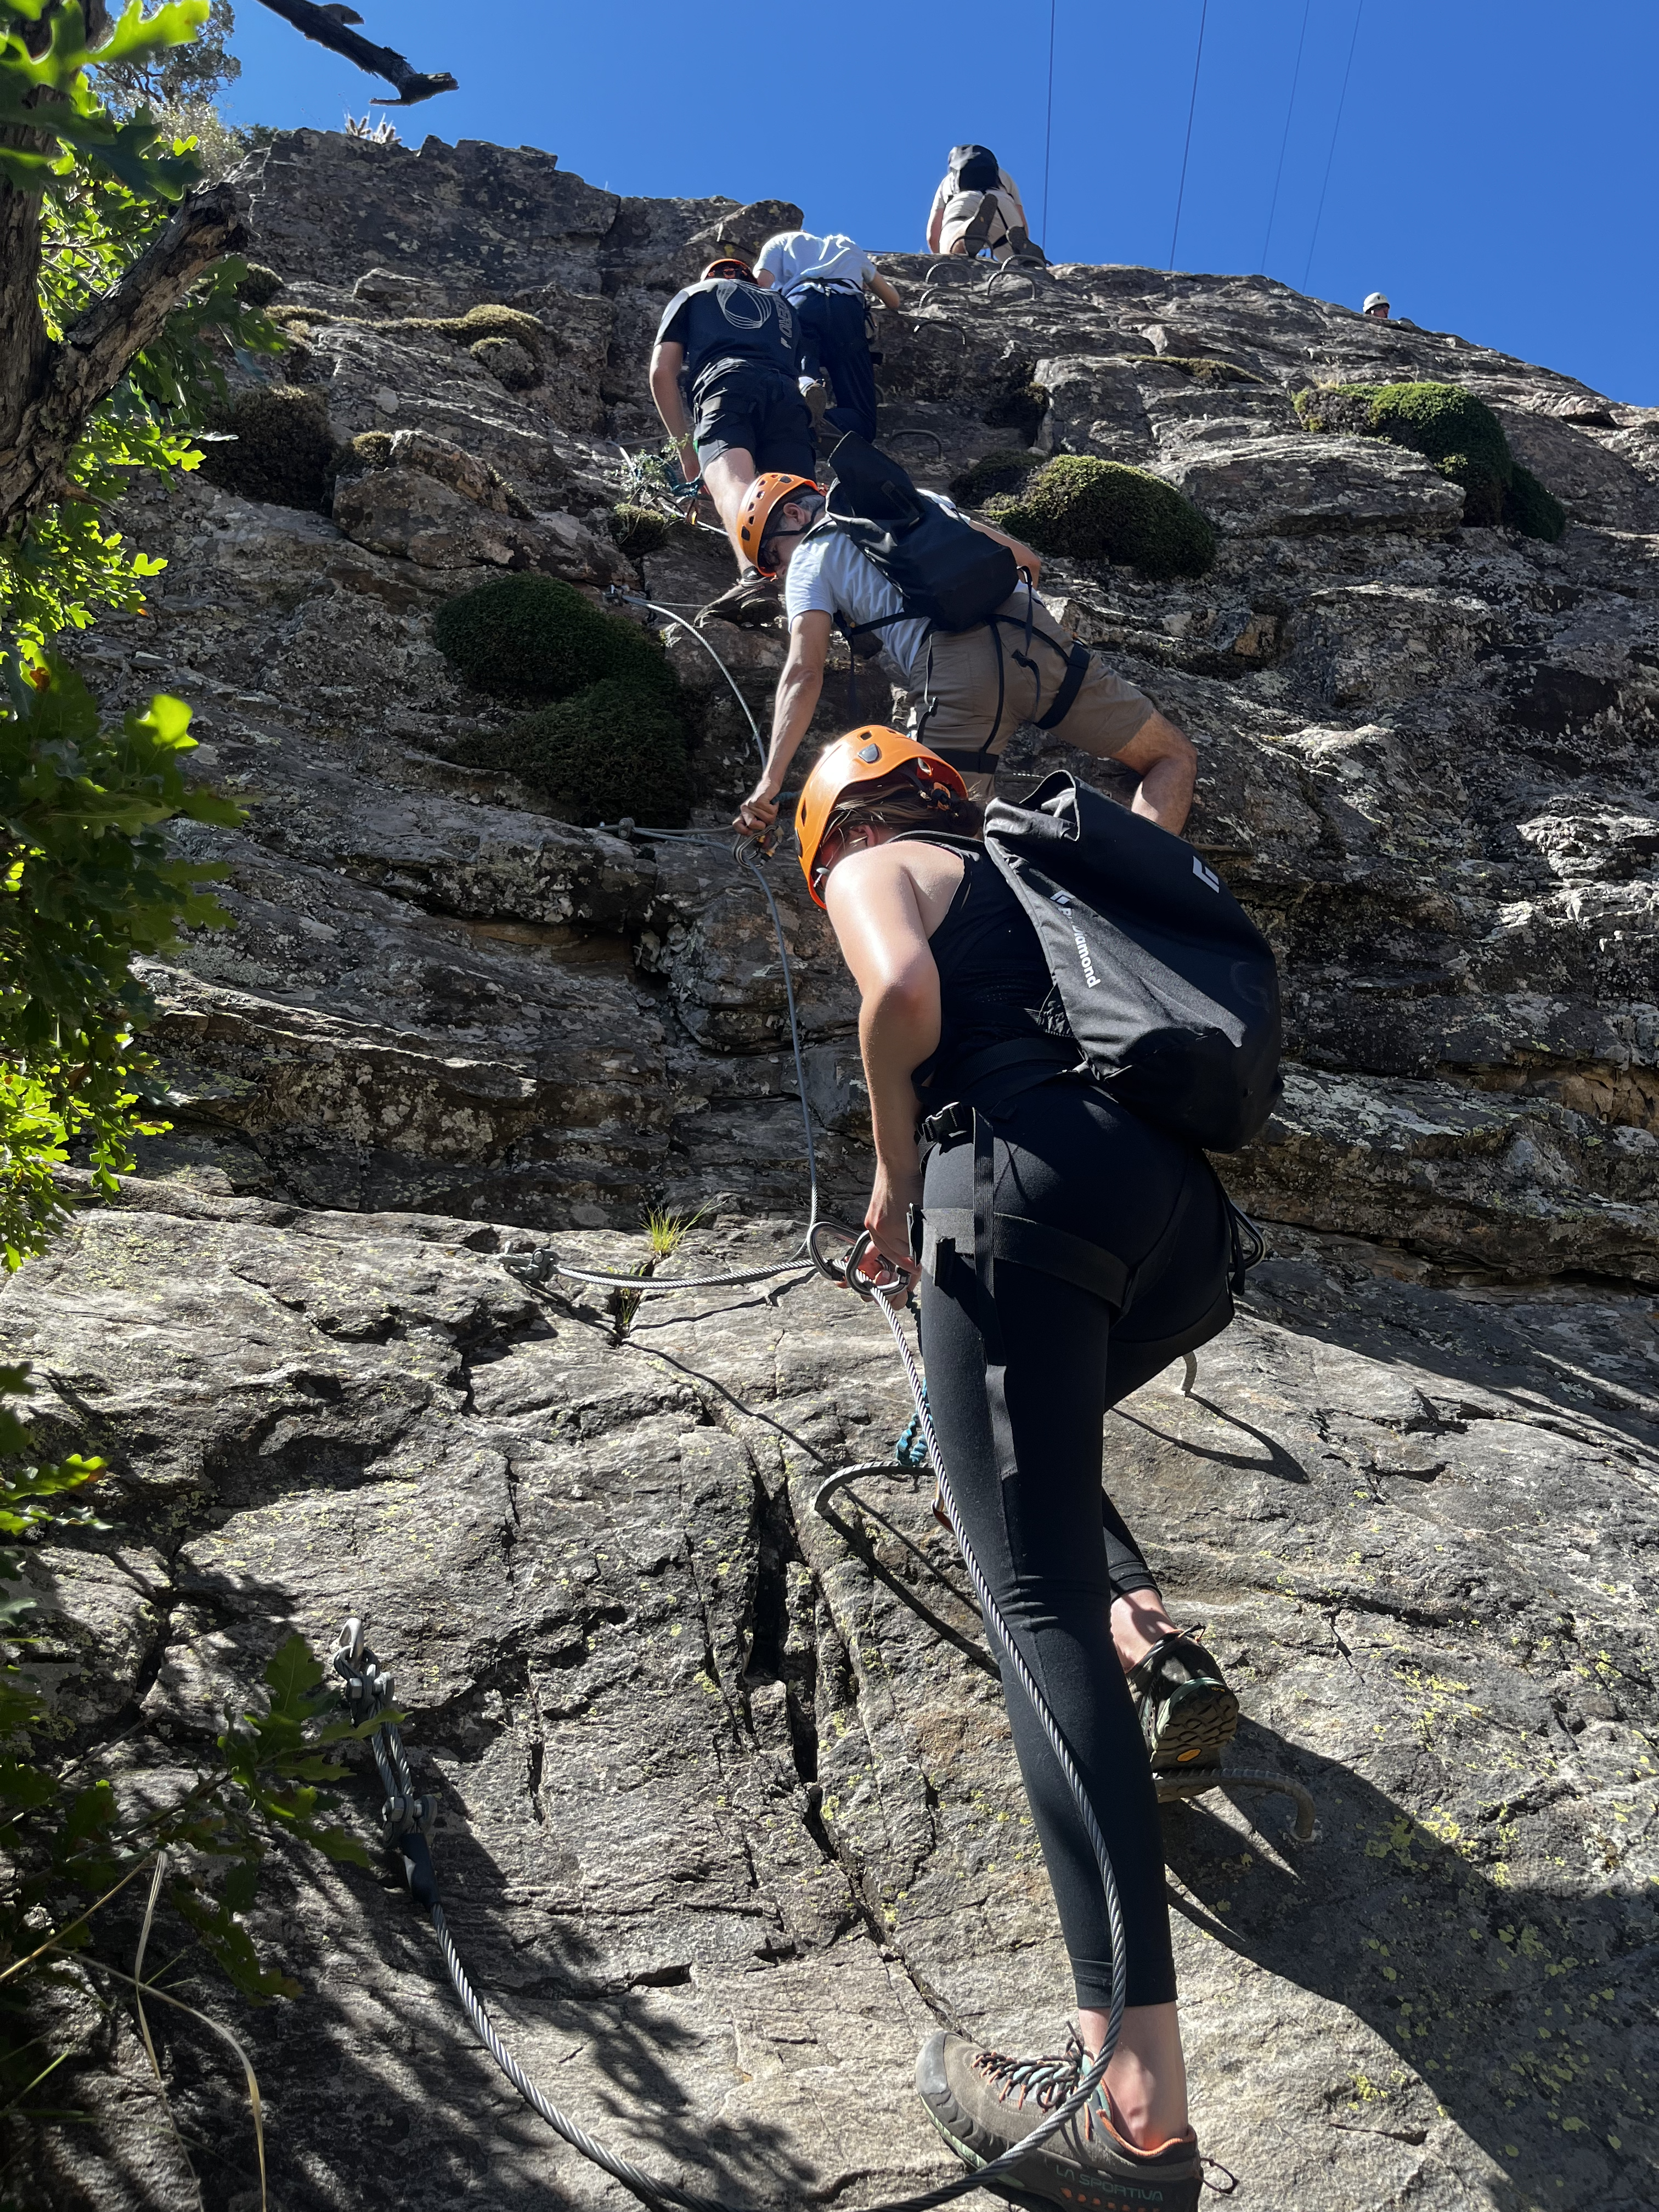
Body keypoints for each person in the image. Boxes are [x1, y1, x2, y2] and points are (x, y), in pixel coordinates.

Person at [800, 726, 1242, 2212]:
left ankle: (1129, 2111)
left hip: (1015, 1194)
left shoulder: (877, 856)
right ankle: (1135, 1614)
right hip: (1175, 1221)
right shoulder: (1026, 863)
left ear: (833, 827)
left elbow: (900, 994)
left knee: (1028, 1599)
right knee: (1028, 1493)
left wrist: (891, 1168)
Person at [729, 472, 1196, 839]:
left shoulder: (810, 558)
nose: (778, 572)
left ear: (793, 514)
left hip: (955, 675)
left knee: (942, 841)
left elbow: (803, 673)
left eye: (774, 556)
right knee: (1172, 757)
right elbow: (1028, 563)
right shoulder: (916, 501)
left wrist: (770, 782)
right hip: (1033, 635)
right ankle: (1136, 891)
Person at [648, 256, 812, 624]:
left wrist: (688, 455)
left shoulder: (696, 293)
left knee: (732, 480)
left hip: (726, 385)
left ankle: (754, 578)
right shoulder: (782, 305)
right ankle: (826, 596)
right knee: (797, 499)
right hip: (788, 396)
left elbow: (662, 373)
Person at [754, 227, 902, 445]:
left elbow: (761, 283)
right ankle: (828, 425)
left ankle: (806, 387)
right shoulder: (847, 245)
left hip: (800, 303)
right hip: (847, 310)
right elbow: (893, 301)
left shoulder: (783, 241)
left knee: (802, 357)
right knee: (863, 415)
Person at [926, 143, 1044, 264]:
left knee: (952, 254)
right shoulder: (1003, 175)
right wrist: (1022, 236)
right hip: (1002, 204)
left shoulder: (948, 181)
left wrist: (940, 257)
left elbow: (933, 237)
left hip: (964, 203)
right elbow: (1022, 222)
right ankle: (1023, 259)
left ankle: (966, 232)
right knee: (1015, 263)